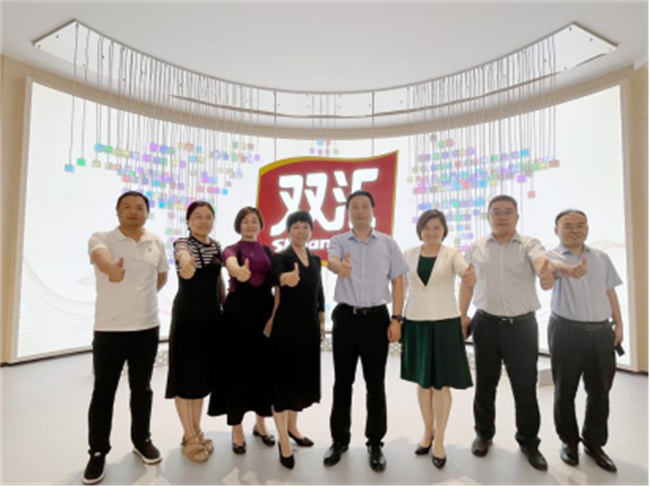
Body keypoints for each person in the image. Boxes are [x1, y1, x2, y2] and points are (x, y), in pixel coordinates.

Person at [459, 194, 555, 471]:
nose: (502, 217)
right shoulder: (476, 247)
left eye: (508, 211)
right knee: (485, 385)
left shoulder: (529, 245)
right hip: (485, 324)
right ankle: (483, 434)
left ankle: (529, 442)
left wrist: (546, 273)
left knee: (525, 387)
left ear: (517, 216)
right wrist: (462, 315)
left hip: (521, 327)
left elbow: (541, 264)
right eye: (497, 212)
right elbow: (467, 282)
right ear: (489, 217)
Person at [83, 191, 168, 485]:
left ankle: (142, 440)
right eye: (127, 207)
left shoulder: (155, 241)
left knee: (142, 389)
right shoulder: (102, 237)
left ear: (147, 212)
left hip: (147, 327)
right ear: (117, 212)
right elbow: (100, 257)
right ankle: (97, 452)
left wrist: (142, 299)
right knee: (103, 392)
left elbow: (161, 276)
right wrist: (110, 269)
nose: (133, 211)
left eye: (139, 207)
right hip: (110, 329)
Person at [323, 190, 409, 472]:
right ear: (348, 212)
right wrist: (340, 267)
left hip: (376, 320)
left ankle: (375, 443)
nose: (359, 211)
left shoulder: (387, 243)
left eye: (364, 206)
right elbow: (332, 261)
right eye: (354, 207)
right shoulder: (338, 241)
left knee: (376, 384)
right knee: (342, 383)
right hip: (346, 318)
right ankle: (339, 440)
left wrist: (397, 318)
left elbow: (398, 281)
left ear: (373, 210)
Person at [546, 209, 623, 472]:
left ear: (587, 228)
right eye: (568, 225)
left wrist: (619, 323)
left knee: (600, 390)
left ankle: (594, 443)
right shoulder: (550, 257)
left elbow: (609, 290)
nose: (575, 230)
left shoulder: (601, 257)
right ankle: (569, 441)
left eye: (580, 225)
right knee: (565, 390)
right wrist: (569, 270)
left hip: (601, 331)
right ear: (556, 230)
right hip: (566, 331)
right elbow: (551, 273)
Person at [401, 210, 475, 469]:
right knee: (423, 383)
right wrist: (395, 317)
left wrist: (469, 275)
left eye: (437, 227)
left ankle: (440, 439)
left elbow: (464, 271)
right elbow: (400, 287)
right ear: (420, 230)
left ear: (444, 230)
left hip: (445, 322)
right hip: (416, 321)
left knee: (441, 384)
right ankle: (427, 432)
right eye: (427, 227)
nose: (431, 232)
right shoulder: (408, 254)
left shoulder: (452, 254)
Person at [207, 207, 275, 453]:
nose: (250, 225)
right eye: (245, 221)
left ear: (260, 225)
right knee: (237, 369)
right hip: (237, 316)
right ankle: (236, 428)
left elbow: (278, 276)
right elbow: (231, 264)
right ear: (239, 225)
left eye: (254, 221)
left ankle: (261, 423)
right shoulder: (231, 249)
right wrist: (238, 271)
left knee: (263, 369)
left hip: (264, 314)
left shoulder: (269, 251)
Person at [165, 201, 224, 462]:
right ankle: (188, 436)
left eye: (208, 216)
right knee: (184, 375)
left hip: (211, 318)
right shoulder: (183, 243)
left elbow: (218, 280)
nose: (203, 221)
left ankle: (197, 430)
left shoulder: (216, 246)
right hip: (187, 317)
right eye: (197, 217)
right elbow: (183, 257)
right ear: (188, 221)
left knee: (201, 376)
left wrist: (225, 303)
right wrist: (185, 262)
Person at [269, 211, 325, 469]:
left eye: (305, 227)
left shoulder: (315, 259)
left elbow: (319, 291)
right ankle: (283, 439)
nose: (301, 231)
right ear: (288, 231)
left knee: (300, 380)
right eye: (296, 227)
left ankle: (293, 428)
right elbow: (276, 276)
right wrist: (286, 279)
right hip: (286, 327)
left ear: (311, 231)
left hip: (309, 327)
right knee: (283, 383)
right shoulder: (281, 257)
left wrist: (322, 317)